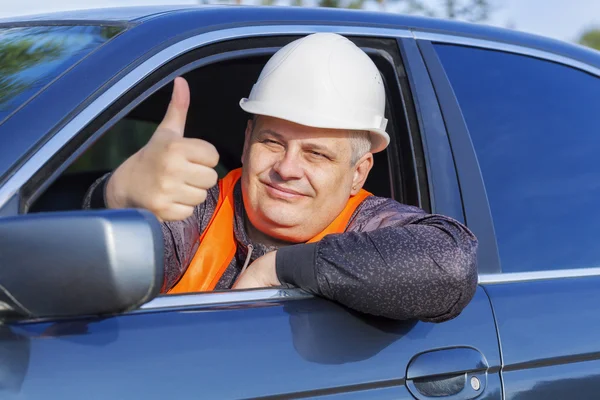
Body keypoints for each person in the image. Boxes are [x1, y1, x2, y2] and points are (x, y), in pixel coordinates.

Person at [84, 33, 478, 321]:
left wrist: (278, 268)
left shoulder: (372, 224)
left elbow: (451, 267)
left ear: (358, 173)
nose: (287, 169)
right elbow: (87, 284)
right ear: (247, 141)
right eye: (272, 143)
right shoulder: (197, 210)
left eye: (317, 153)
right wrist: (115, 199)